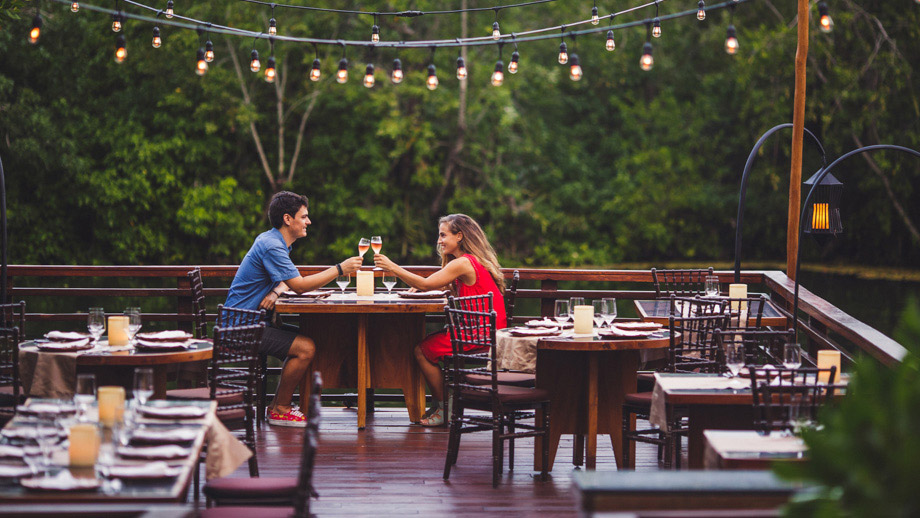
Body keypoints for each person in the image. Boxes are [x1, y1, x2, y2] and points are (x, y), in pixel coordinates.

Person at [225, 191, 362, 427]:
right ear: (288, 219)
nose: (308, 221)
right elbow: (298, 285)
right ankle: (280, 408)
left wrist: (276, 291)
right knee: (306, 347)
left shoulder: (274, 242)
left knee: (312, 339)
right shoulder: (272, 246)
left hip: (250, 321)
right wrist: (340, 268)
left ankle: (278, 405)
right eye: (304, 216)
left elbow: (284, 281)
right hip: (241, 327)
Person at [374, 213, 506, 426]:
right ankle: (442, 403)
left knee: (423, 350)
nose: (439, 241)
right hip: (488, 331)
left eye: (443, 235)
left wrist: (392, 267)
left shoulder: (462, 263)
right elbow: (440, 284)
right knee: (427, 347)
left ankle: (445, 405)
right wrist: (427, 284)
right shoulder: (471, 261)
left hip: (479, 335)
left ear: (460, 236)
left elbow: (427, 285)